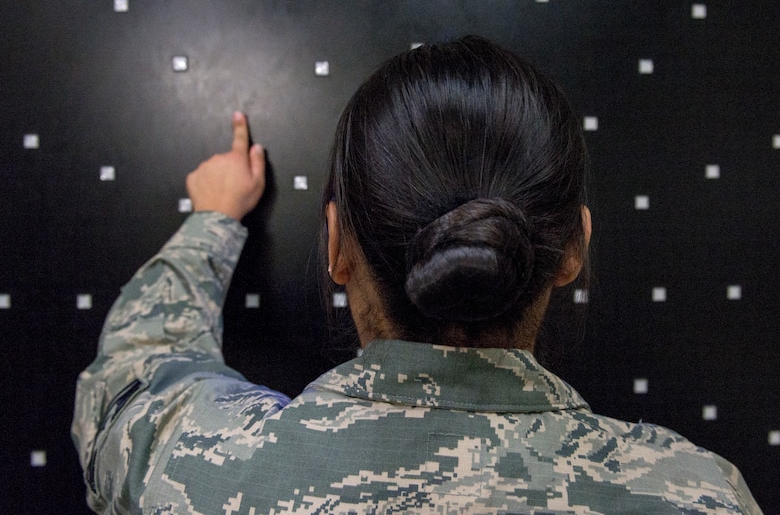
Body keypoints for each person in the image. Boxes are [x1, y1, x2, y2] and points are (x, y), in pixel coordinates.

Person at [72, 36, 761, 514]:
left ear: (337, 246)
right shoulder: (695, 493)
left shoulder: (200, 463)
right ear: (573, 247)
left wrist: (212, 220)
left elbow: (128, 378)